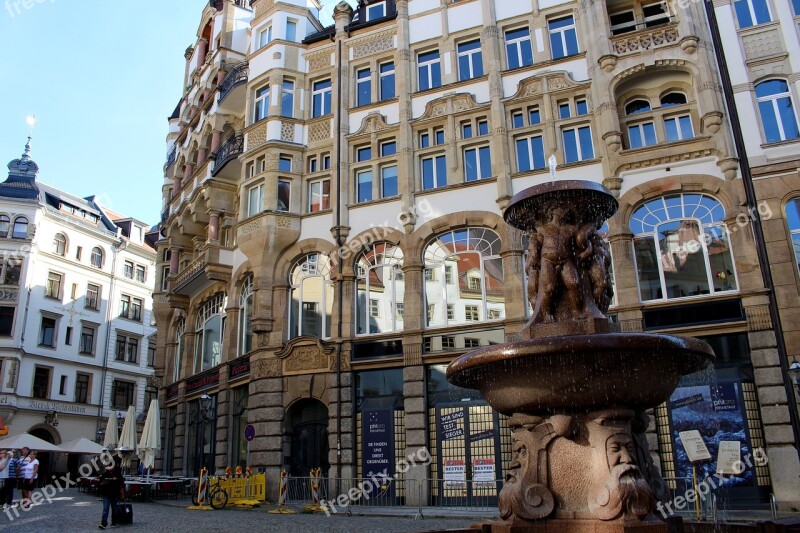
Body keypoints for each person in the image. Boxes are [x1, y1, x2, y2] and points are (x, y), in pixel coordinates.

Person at [98, 460, 123, 529]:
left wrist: (122, 495)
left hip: (115, 494)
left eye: (110, 466)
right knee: (105, 509)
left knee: (115, 509)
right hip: (106, 494)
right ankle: (103, 523)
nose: (108, 467)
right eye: (107, 466)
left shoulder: (118, 475)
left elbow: (122, 485)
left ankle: (114, 522)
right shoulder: (104, 474)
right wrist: (103, 483)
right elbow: (100, 484)